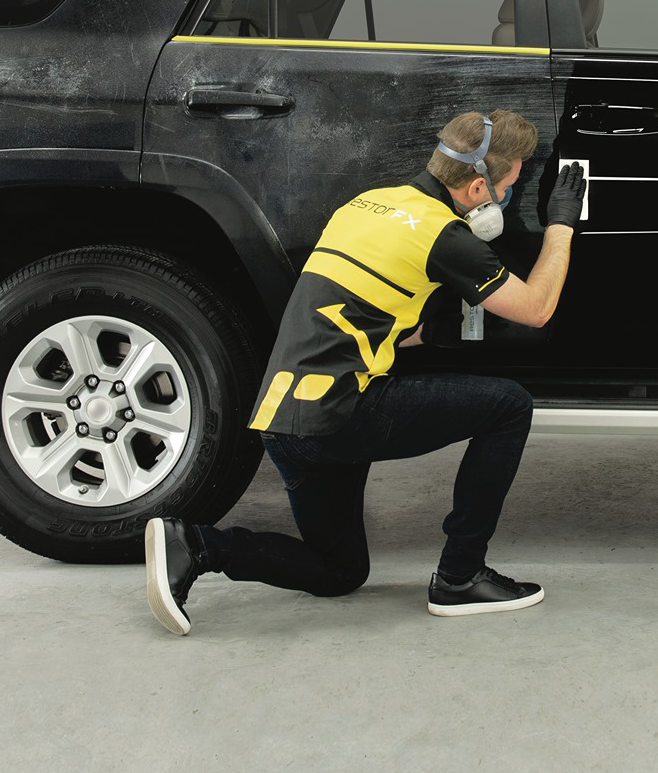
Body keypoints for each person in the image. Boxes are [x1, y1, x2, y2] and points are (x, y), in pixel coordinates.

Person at [143, 109, 585, 635]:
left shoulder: (367, 203)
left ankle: (194, 544)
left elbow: (355, 315)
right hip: (337, 415)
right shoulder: (444, 236)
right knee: (509, 405)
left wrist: (428, 333)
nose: (504, 200)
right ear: (475, 188)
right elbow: (537, 308)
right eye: (508, 187)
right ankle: (461, 576)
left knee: (339, 571)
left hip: (285, 422)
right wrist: (561, 222)